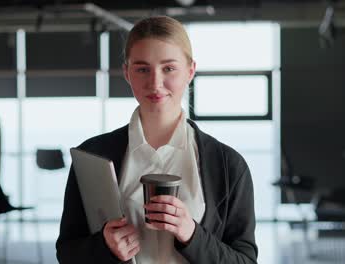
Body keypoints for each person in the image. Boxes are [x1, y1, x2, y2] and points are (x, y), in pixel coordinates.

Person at [56, 16, 258, 264]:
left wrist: (192, 235)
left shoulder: (229, 165)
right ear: (127, 73)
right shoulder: (93, 156)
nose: (155, 83)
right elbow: (67, 253)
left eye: (169, 68)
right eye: (142, 69)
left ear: (190, 71)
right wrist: (104, 248)